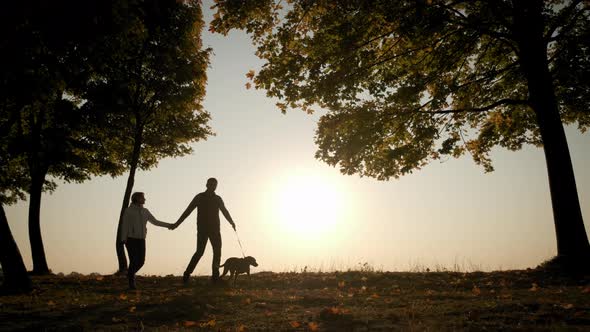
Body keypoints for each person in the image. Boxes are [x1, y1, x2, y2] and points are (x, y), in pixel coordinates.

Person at [171, 177, 236, 284]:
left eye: (215, 185)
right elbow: (187, 211)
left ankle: (215, 277)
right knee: (200, 252)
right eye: (211, 184)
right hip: (203, 229)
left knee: (217, 252)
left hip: (215, 229)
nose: (213, 186)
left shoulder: (218, 199)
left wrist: (231, 222)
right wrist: (177, 224)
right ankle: (187, 274)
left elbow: (225, 211)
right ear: (206, 185)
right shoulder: (199, 197)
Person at [119, 192, 173, 289]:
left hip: (141, 239)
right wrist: (123, 239)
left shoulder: (145, 211)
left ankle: (130, 274)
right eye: (143, 198)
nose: (145, 200)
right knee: (134, 260)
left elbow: (155, 222)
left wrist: (169, 225)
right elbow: (124, 225)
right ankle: (131, 283)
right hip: (131, 239)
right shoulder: (129, 211)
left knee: (141, 261)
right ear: (137, 199)